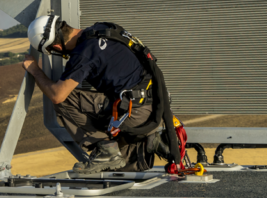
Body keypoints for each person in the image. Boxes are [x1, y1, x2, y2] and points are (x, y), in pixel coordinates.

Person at [22, 15, 169, 173]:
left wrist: (35, 70)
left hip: (135, 111)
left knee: (64, 99)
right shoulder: (103, 27)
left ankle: (111, 149)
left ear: (56, 47)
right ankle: (149, 140)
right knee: (119, 166)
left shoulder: (83, 53)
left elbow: (58, 95)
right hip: (155, 104)